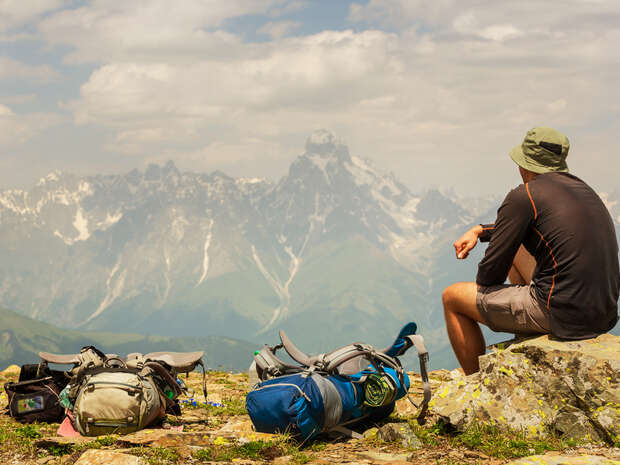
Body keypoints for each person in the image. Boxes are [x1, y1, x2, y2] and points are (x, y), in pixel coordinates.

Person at [442, 127, 620, 375]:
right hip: (603, 313)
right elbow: (543, 226)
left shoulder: (523, 195)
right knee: (519, 250)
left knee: (452, 297)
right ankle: (525, 335)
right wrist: (481, 231)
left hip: (561, 314)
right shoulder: (584, 191)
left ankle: (474, 387)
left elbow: (488, 278)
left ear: (524, 165)